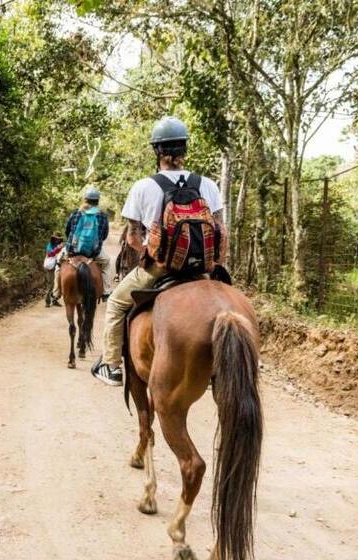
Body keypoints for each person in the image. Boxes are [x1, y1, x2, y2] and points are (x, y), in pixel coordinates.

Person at [91, 116, 227, 386]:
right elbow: (222, 231)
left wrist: (152, 253)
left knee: (117, 304)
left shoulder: (144, 186)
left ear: (158, 150)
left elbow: (132, 236)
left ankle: (111, 365)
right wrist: (211, 263)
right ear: (185, 149)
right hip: (200, 270)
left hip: (159, 267)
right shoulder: (208, 184)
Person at [63, 187, 113, 298]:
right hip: (92, 253)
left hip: (72, 251)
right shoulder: (102, 216)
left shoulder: (76, 213)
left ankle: (55, 292)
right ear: (97, 201)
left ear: (85, 200)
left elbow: (67, 231)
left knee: (58, 262)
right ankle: (106, 291)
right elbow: (103, 236)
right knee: (107, 263)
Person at [44, 234, 64, 307]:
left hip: (56, 266)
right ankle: (47, 302)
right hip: (50, 267)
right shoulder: (50, 245)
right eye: (56, 239)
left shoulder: (57, 246)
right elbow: (50, 254)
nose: (57, 240)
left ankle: (54, 300)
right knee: (51, 284)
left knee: (57, 284)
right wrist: (58, 248)